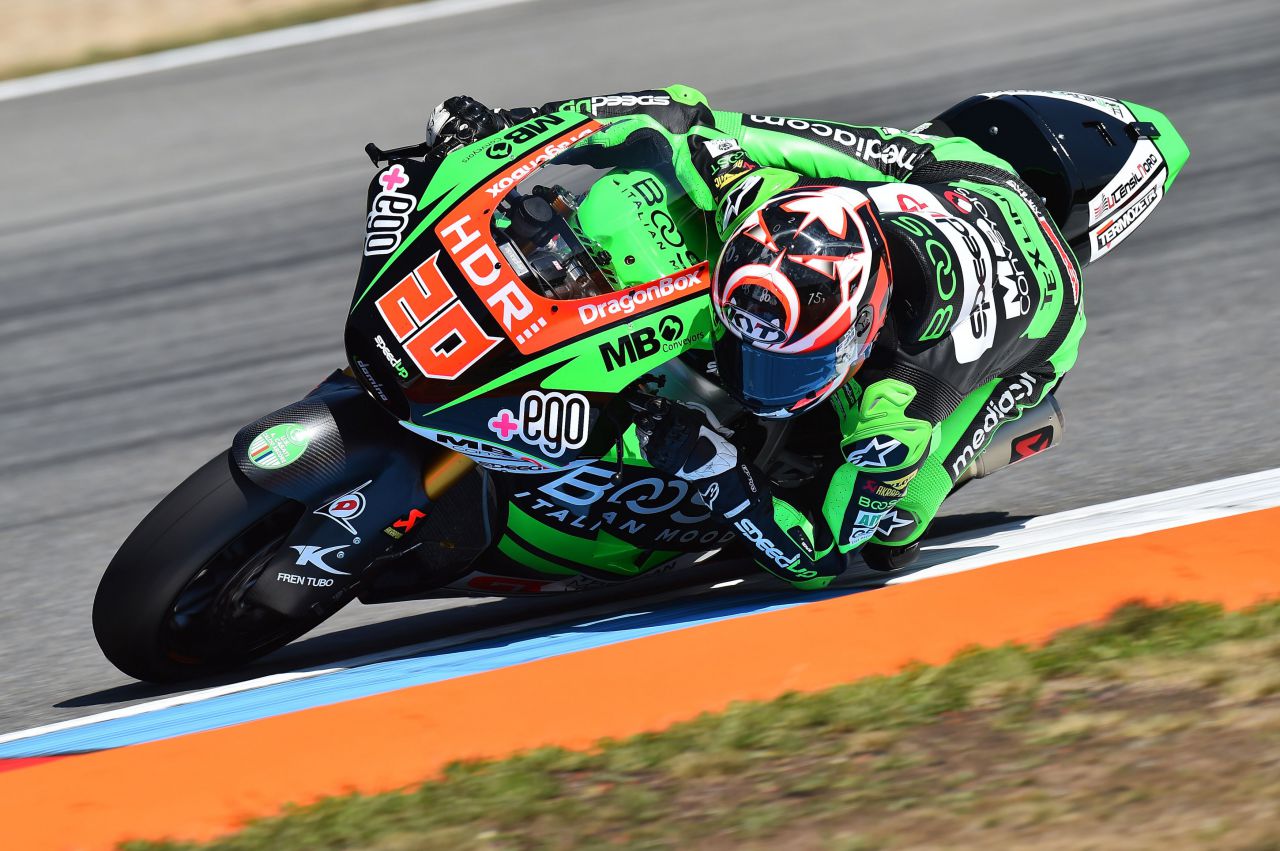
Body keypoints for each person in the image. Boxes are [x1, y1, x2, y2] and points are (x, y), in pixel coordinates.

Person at [424, 86, 1085, 589]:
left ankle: (976, 449)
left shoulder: (900, 400)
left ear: (859, 331)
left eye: (788, 364)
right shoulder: (748, 190)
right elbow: (674, 113)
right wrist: (505, 131)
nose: (754, 380)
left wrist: (720, 472)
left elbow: (818, 558)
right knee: (691, 153)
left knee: (889, 536)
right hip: (948, 177)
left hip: (1039, 322)